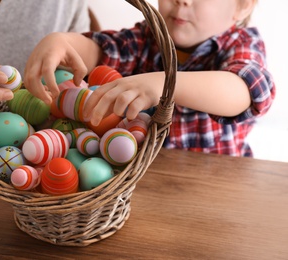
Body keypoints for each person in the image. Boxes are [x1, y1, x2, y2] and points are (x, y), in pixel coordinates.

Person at [22, 0, 275, 157]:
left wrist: (165, 83)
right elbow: (101, 49)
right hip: (141, 184)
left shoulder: (242, 43)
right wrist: (63, 42)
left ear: (242, 5)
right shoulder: (146, 37)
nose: (182, 0)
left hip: (215, 186)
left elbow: (245, 89)